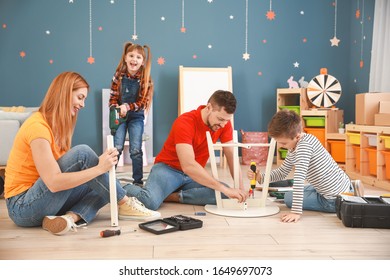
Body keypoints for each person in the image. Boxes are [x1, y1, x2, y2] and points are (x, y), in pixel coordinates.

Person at [4, 72, 160, 236]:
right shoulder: (37, 127)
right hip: (22, 206)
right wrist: (98, 169)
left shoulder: (58, 127)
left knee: (104, 184)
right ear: (64, 93)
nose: (83, 104)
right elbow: (53, 182)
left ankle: (69, 218)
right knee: (83, 154)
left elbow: (66, 175)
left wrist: (100, 165)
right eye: (80, 97)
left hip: (43, 200)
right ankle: (125, 203)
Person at [124, 90, 248, 211]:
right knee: (150, 202)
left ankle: (172, 196)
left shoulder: (223, 124)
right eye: (220, 119)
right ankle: (121, 188)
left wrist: (240, 189)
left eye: (227, 120)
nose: (223, 124)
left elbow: (231, 156)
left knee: (226, 194)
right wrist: (223, 188)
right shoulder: (185, 122)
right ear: (209, 107)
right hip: (168, 169)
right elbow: (188, 165)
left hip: (192, 176)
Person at [248, 109, 354, 223]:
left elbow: (299, 179)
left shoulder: (304, 147)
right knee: (292, 193)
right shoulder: (294, 145)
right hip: (339, 184)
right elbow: (282, 172)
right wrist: (260, 178)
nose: (281, 146)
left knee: (288, 198)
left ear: (297, 136)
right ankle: (350, 190)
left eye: (283, 143)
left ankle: (348, 195)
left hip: (332, 200)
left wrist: (296, 212)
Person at [109, 42, 153, 187]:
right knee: (117, 147)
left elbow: (142, 102)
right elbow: (113, 97)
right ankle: (110, 179)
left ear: (142, 61)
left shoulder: (146, 79)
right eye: (131, 56)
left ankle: (138, 182)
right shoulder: (118, 76)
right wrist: (115, 107)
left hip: (136, 117)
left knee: (135, 149)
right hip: (120, 115)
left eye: (138, 57)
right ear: (125, 58)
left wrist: (127, 106)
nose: (134, 59)